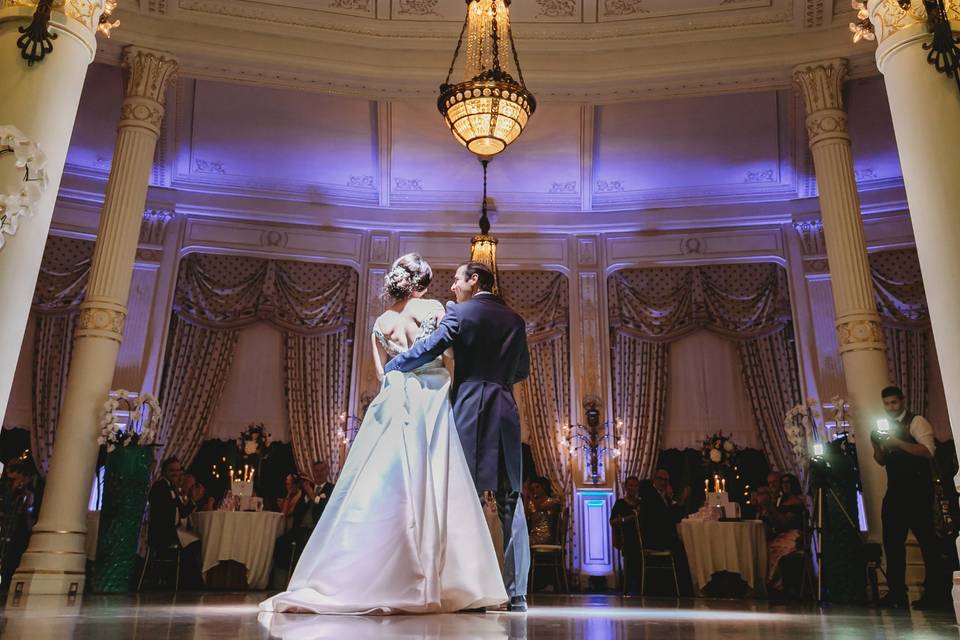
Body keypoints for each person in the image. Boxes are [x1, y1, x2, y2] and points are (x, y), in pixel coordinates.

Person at [260, 254, 507, 614]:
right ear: (422, 284)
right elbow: (448, 354)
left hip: (393, 402)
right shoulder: (435, 308)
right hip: (431, 399)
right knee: (435, 481)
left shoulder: (381, 322)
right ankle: (444, 576)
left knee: (385, 485)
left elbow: (382, 374)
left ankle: (373, 573)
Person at [382, 261, 531, 612]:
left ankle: (468, 586)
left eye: (456, 280)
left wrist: (393, 365)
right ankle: (518, 593)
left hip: (469, 408)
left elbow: (429, 348)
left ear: (474, 279)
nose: (452, 287)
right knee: (512, 499)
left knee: (466, 497)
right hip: (505, 408)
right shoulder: (515, 319)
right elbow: (521, 369)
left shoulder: (460, 313)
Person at [871, 385, 946, 609]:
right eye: (887, 403)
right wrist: (877, 445)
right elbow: (881, 461)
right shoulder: (882, 427)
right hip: (895, 492)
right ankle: (896, 594)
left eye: (894, 402)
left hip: (918, 493)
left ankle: (935, 593)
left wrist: (899, 443)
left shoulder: (916, 422)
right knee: (892, 544)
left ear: (902, 401)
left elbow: (928, 451)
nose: (891, 407)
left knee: (928, 544)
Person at [146, 457, 202, 588]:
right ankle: (186, 582)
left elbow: (182, 512)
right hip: (163, 533)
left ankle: (185, 580)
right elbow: (165, 512)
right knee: (194, 543)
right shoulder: (160, 487)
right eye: (172, 471)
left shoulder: (171, 488)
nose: (176, 474)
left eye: (178, 470)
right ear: (164, 471)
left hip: (170, 530)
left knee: (195, 540)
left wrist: (192, 500)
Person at [755, 473, 806, 596]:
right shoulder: (781, 500)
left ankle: (776, 587)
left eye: (788, 482)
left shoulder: (797, 502)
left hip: (793, 535)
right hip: (781, 534)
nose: (785, 485)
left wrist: (769, 507)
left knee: (773, 550)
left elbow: (785, 524)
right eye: (783, 483)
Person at [610, 476, 643, 595]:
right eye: (630, 486)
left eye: (635, 486)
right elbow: (612, 521)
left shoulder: (641, 503)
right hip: (627, 537)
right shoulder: (620, 503)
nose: (633, 488)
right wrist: (629, 518)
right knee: (632, 549)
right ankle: (629, 587)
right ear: (626, 487)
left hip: (641, 536)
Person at [525, 477, 560, 546]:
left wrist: (530, 495)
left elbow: (540, 507)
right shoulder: (532, 503)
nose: (535, 490)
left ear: (543, 487)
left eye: (537, 487)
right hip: (533, 535)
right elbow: (525, 515)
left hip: (546, 536)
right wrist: (526, 497)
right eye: (533, 489)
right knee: (517, 541)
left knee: (522, 543)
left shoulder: (552, 501)